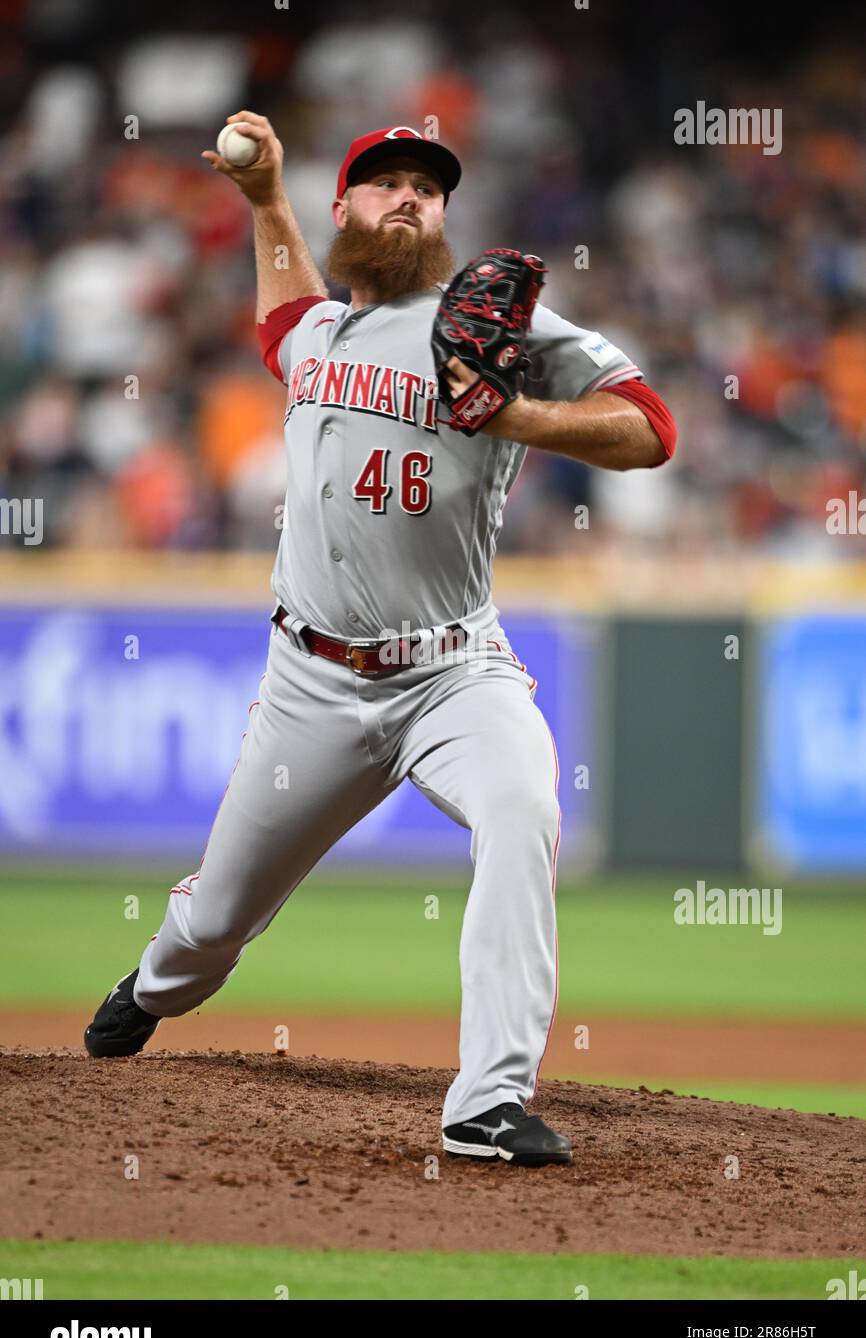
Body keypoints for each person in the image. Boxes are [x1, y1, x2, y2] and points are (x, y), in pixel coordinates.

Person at [84, 117, 677, 1167]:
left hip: (453, 671)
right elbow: (280, 323)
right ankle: (155, 982)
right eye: (383, 183)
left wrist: (517, 417)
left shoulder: (493, 321)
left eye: (428, 188)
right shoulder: (314, 337)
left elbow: (649, 429)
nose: (408, 199)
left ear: (445, 217)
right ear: (344, 210)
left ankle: (486, 1100)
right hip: (310, 683)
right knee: (213, 923)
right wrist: (263, 199)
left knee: (523, 807)